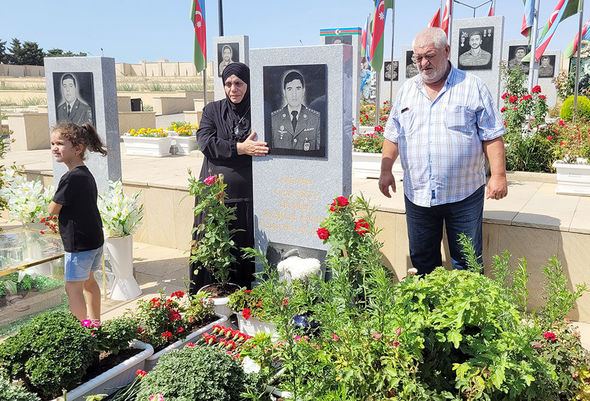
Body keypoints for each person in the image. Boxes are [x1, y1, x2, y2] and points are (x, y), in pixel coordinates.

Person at [379, 27, 507, 275]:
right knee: (423, 263)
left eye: (429, 56)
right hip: (418, 194)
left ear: (447, 51)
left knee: (467, 264)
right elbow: (393, 134)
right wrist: (385, 171)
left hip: (464, 194)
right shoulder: (407, 90)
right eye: (418, 58)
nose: (423, 63)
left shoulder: (472, 86)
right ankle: (429, 301)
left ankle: (467, 301)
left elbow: (491, 134)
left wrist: (498, 176)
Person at [189, 62, 269, 293]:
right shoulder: (212, 110)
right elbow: (206, 143)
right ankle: (212, 294)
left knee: (243, 245)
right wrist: (240, 148)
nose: (233, 89)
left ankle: (245, 294)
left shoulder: (259, 110)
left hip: (247, 196)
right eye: (228, 84)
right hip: (216, 197)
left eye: (239, 83)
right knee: (215, 245)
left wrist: (233, 149)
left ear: (248, 84)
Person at [48, 122, 107, 322]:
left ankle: (81, 330)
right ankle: (95, 324)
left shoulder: (70, 178)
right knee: (89, 282)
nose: (55, 148)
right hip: (94, 240)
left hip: (79, 244)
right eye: (52, 143)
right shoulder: (85, 174)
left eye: (60, 143)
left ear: (78, 148)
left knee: (72, 288)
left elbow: (53, 209)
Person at [270, 71, 321, 151]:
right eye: (289, 89)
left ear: (303, 91)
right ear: (284, 92)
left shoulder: (315, 118)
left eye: (298, 88)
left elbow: (319, 151)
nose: (294, 94)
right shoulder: (274, 119)